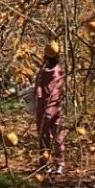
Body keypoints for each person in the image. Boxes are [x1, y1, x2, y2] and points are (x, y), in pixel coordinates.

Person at [34, 41, 65, 175]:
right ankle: (59, 164)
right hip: (57, 107)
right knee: (58, 137)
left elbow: (38, 90)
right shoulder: (60, 71)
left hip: (45, 109)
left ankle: (44, 164)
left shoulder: (43, 72)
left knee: (44, 137)